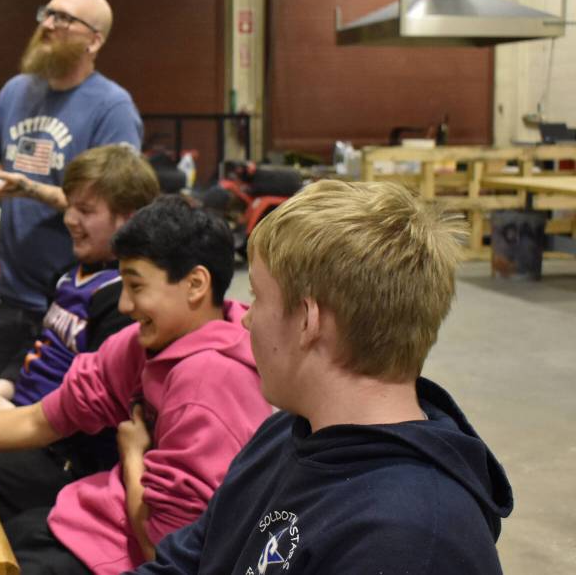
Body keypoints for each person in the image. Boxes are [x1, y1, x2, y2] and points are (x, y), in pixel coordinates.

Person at [0, 197, 271, 574]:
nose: (125, 305)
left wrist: (133, 453)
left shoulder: (210, 386)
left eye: (136, 287)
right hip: (93, 521)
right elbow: (39, 420)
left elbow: (166, 551)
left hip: (121, 554)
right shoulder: (145, 344)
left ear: (195, 285)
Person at [131, 180, 514, 575]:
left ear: (307, 321)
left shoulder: (409, 542)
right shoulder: (284, 434)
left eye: (258, 297)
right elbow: (184, 564)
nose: (246, 319)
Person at [0, 0, 144, 398]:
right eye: (47, 13)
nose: (49, 24)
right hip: (10, 292)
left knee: (52, 418)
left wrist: (29, 189)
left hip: (73, 300)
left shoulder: (113, 108)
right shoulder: (17, 90)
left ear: (94, 41)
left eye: (64, 18)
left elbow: (118, 207)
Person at [0, 144, 160, 523]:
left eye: (86, 211)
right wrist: (5, 383)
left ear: (129, 220)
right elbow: (42, 342)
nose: (70, 219)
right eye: (70, 206)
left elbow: (97, 407)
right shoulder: (68, 274)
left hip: (60, 452)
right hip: (21, 419)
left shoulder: (121, 301)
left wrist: (19, 419)